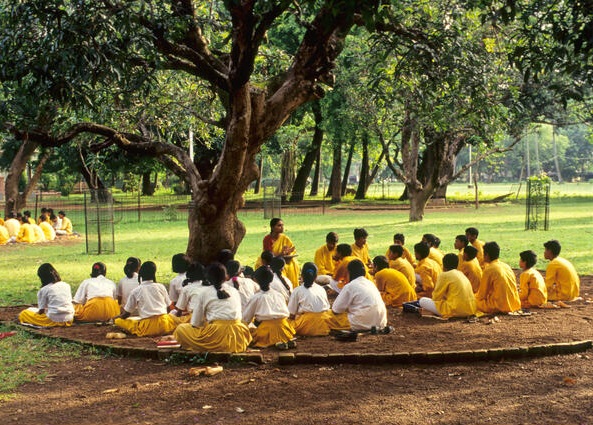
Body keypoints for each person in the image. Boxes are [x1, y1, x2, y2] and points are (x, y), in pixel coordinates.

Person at [173, 263, 252, 352]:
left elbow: (196, 323)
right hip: (238, 337)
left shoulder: (204, 293)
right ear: (226, 277)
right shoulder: (234, 291)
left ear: (208, 278)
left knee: (181, 329)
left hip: (215, 334)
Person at [114, 261, 177, 337]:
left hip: (147, 327)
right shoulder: (161, 287)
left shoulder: (136, 291)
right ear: (154, 273)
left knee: (119, 321)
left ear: (140, 275)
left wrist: (117, 318)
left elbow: (127, 314)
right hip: (165, 324)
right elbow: (169, 307)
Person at [242, 266, 295, 348]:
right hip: (284, 328)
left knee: (251, 332)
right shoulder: (279, 295)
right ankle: (283, 340)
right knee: (282, 334)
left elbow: (246, 319)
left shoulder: (256, 297)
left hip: (266, 330)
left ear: (255, 280)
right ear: (271, 279)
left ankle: (274, 342)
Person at [331, 259, 388, 332]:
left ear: (349, 273)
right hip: (381, 323)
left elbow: (336, 310)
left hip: (360, 324)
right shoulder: (370, 283)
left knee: (328, 317)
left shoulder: (350, 286)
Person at [417, 253, 477, 318]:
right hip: (470, 310)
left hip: (455, 310)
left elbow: (436, 298)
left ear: (444, 265)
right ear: (457, 265)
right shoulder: (461, 273)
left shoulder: (444, 275)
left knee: (422, 301)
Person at [287, 262, 333, 336]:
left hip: (306, 325)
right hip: (324, 324)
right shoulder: (321, 289)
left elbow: (291, 314)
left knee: (286, 324)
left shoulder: (297, 290)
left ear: (301, 276)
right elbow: (326, 308)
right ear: (316, 277)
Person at [475, 242, 521, 314]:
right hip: (514, 304)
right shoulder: (506, 266)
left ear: (486, 255)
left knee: (473, 301)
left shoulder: (489, 269)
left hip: (499, 305)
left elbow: (482, 295)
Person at [260, 218, 300, 287]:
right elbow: (268, 255)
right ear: (272, 227)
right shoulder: (267, 239)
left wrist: (288, 252)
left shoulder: (285, 238)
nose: (282, 227)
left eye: (282, 225)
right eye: (279, 225)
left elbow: (292, 250)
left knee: (293, 265)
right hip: (270, 260)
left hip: (284, 260)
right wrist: (281, 254)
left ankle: (293, 286)